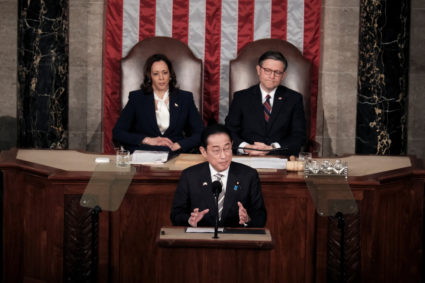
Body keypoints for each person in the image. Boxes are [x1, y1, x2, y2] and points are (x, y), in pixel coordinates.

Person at [170, 124, 267, 227]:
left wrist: (248, 218)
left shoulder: (248, 175)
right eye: (216, 150)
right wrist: (190, 220)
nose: (223, 156)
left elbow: (261, 217)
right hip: (201, 239)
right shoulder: (190, 176)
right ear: (204, 152)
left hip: (235, 238)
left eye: (227, 148)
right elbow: (176, 215)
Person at [113, 54, 204, 153]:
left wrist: (179, 145)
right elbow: (118, 132)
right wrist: (147, 140)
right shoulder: (137, 98)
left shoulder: (185, 98)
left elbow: (201, 133)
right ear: (150, 76)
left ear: (170, 75)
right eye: (156, 74)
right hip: (145, 153)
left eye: (165, 72)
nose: (161, 77)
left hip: (176, 153)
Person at [225, 50, 306, 156]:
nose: (272, 76)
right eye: (267, 70)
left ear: (283, 75)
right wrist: (247, 147)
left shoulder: (294, 99)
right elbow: (229, 131)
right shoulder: (241, 97)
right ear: (259, 70)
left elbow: (299, 135)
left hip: (280, 157)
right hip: (247, 157)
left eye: (277, 72)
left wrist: (272, 148)